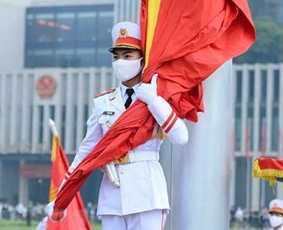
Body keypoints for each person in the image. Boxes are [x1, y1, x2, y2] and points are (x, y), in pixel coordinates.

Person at [49, 21, 189, 229]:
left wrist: (153, 101)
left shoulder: (157, 97)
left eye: (127, 56)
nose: (120, 62)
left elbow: (181, 137)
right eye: (116, 57)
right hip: (113, 191)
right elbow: (87, 150)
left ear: (142, 60)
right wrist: (63, 193)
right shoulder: (103, 102)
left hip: (146, 192)